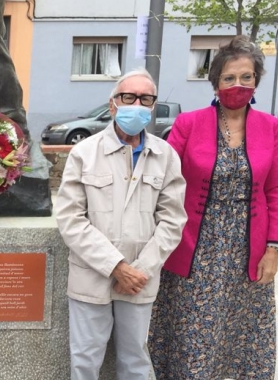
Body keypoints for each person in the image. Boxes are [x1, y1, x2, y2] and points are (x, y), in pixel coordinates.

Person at [149, 35, 278, 380]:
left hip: (248, 251)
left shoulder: (270, 127)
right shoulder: (189, 124)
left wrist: (274, 248)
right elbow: (162, 178)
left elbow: (277, 189)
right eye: (229, 78)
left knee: (243, 341)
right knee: (193, 337)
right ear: (215, 84)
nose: (238, 85)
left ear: (257, 80)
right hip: (194, 248)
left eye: (246, 77)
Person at [54, 68, 187, 380]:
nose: (137, 104)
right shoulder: (84, 153)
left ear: (153, 105)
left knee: (136, 362)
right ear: (113, 103)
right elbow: (70, 218)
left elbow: (173, 219)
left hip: (140, 278)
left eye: (145, 98)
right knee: (85, 361)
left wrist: (140, 269)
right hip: (92, 276)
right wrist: (116, 266)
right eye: (129, 97)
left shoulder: (165, 155)